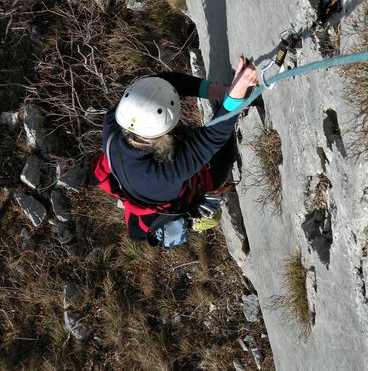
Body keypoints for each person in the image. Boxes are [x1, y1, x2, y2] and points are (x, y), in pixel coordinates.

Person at [91, 55, 258, 245]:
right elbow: (212, 139)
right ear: (166, 133)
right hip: (169, 190)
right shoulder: (162, 177)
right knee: (224, 157)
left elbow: (164, 83)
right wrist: (236, 94)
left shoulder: (114, 122)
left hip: (142, 181)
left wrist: (221, 93)